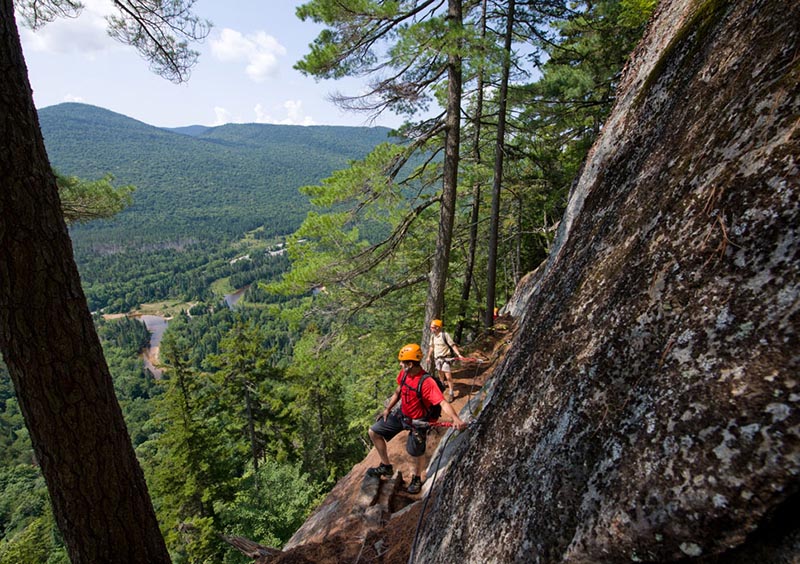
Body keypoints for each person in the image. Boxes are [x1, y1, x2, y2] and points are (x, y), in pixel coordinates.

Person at [366, 343, 467, 494]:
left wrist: (455, 419)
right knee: (374, 432)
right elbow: (398, 391)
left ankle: (417, 478)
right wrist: (388, 409)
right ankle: (386, 466)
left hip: (418, 421)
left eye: (402, 362)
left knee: (414, 451)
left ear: (410, 364)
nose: (400, 364)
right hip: (402, 415)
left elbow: (442, 402)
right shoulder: (404, 374)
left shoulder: (427, 382)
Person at [425, 319, 462, 402]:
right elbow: (431, 347)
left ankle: (451, 393)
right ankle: (441, 386)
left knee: (448, 377)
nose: (431, 329)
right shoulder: (433, 337)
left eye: (432, 327)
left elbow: (452, 345)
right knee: (440, 375)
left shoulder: (445, 335)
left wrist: (458, 354)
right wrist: (428, 356)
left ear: (437, 327)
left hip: (445, 359)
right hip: (437, 359)